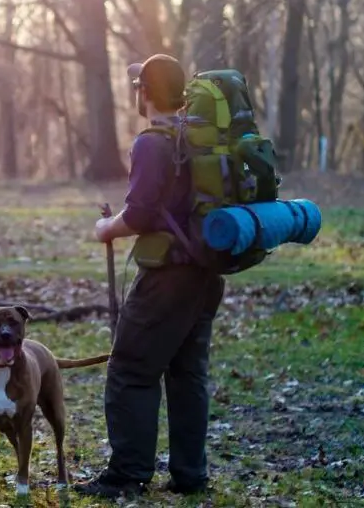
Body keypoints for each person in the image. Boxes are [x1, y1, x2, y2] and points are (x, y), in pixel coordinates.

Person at [75, 53, 224, 498]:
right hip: (206, 272)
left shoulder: (151, 143)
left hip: (167, 277)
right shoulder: (196, 136)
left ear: (144, 91)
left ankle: (127, 474)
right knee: (187, 374)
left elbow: (138, 214)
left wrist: (106, 228)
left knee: (130, 369)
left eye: (137, 87)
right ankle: (190, 475)